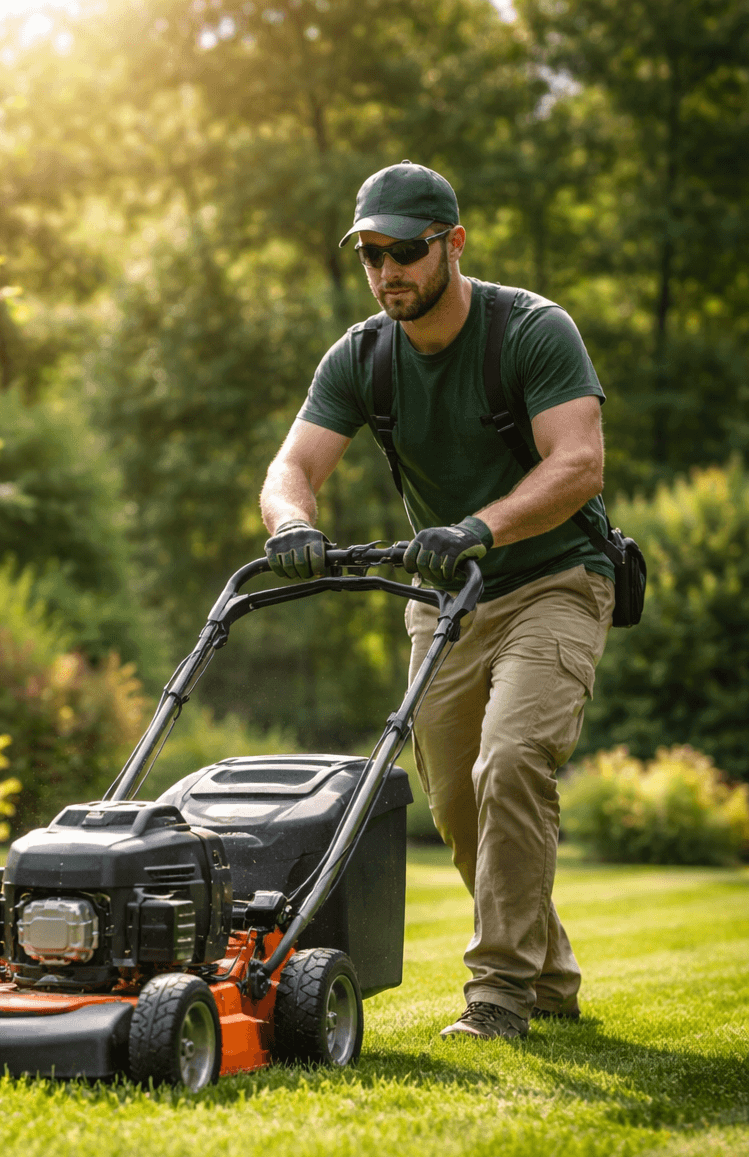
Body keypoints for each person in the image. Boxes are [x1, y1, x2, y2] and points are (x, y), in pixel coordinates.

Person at [259, 160, 614, 1041]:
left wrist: (478, 528)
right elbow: (293, 466)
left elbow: (577, 464)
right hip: (446, 599)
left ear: (452, 244)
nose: (389, 273)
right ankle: (551, 972)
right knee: (456, 803)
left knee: (511, 762)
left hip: (556, 580)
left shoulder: (531, 331)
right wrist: (291, 525)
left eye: (406, 252)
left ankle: (498, 995)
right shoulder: (362, 356)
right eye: (372, 256)